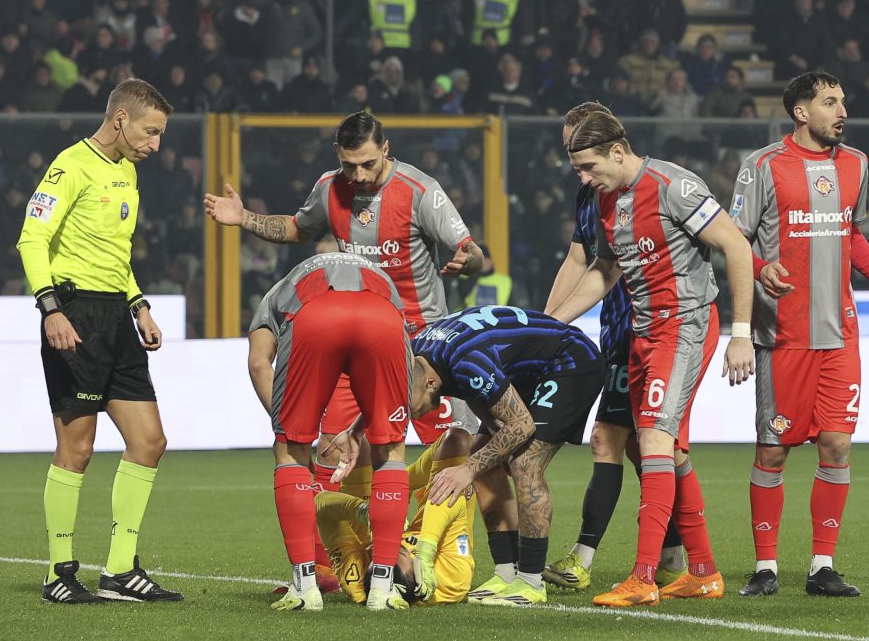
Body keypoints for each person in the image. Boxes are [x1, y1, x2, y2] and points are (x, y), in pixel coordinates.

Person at [550, 110, 757, 608]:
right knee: (668, 451)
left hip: (685, 325)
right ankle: (702, 571)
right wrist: (553, 322)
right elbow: (604, 271)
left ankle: (643, 577)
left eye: (589, 166)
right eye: (578, 169)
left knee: (653, 440)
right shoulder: (606, 199)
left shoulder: (674, 187)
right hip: (645, 332)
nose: (584, 178)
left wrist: (741, 334)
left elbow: (735, 246)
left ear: (618, 152)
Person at [730, 71, 869, 598]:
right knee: (773, 452)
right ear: (801, 112)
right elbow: (732, 240)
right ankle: (765, 567)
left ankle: (822, 566)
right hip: (783, 335)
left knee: (837, 445)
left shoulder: (856, 163)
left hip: (840, 334)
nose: (842, 112)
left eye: (842, 102)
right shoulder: (762, 166)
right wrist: (760, 266)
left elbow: (850, 233)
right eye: (831, 102)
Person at [204, 111, 482, 455]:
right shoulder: (329, 188)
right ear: (337, 152)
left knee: (454, 447)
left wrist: (468, 260)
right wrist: (244, 218)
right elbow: (298, 229)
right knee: (337, 446)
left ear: (385, 149)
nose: (359, 175)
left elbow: (471, 250)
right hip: (362, 336)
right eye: (349, 166)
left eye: (367, 164)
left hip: (421, 338)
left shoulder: (421, 191)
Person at [17, 78, 183, 605]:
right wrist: (50, 309)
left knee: (149, 442)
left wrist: (139, 305)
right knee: (78, 449)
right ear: (120, 120)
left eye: (160, 134)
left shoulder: (127, 170)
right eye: (150, 131)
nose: (156, 144)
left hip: (116, 316)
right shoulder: (69, 166)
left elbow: (116, 253)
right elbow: (31, 238)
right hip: (75, 314)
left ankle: (119, 572)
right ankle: (58, 572)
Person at [541, 103, 687, 594]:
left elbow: (609, 267)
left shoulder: (638, 191)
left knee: (612, 438)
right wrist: (546, 322)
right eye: (570, 153)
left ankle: (584, 558)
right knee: (646, 448)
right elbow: (577, 259)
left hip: (648, 327)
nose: (576, 165)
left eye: (580, 153)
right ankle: (676, 555)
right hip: (616, 328)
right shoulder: (590, 192)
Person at [401, 305, 605, 607]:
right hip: (526, 370)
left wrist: (468, 468)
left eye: (409, 403)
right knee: (484, 454)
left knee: (524, 461)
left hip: (570, 360)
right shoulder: (419, 354)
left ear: (429, 383)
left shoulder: (465, 362)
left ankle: (531, 581)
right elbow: (474, 392)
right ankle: (507, 572)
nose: (408, 412)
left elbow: (522, 425)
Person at [246, 252, 415, 612]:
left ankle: (305, 588)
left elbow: (260, 363)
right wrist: (371, 426)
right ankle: (383, 588)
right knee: (392, 451)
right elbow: (406, 363)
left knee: (290, 452)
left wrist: (291, 428)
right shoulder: (378, 275)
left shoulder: (278, 291)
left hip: (316, 315)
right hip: (383, 315)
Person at [315, 429, 477, 606]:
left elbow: (321, 503)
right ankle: (403, 483)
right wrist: (426, 550)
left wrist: (363, 511)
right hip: (440, 516)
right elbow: (454, 503)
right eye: (401, 551)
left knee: (357, 443)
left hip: (371, 527)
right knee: (458, 439)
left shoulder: (356, 580)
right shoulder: (451, 582)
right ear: (417, 575)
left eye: (376, 558)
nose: (390, 545)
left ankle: (399, 486)